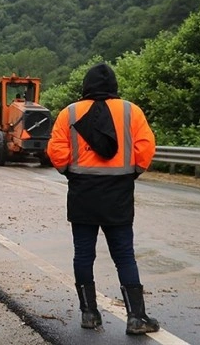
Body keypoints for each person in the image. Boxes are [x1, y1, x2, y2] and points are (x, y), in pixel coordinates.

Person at [47, 63, 159, 335]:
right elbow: (146, 149)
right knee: (124, 256)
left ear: (85, 86)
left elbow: (56, 152)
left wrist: (71, 173)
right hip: (118, 193)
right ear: (114, 87)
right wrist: (131, 173)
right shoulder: (131, 112)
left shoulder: (69, 113)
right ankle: (136, 318)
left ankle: (89, 314)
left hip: (82, 193)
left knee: (83, 255)